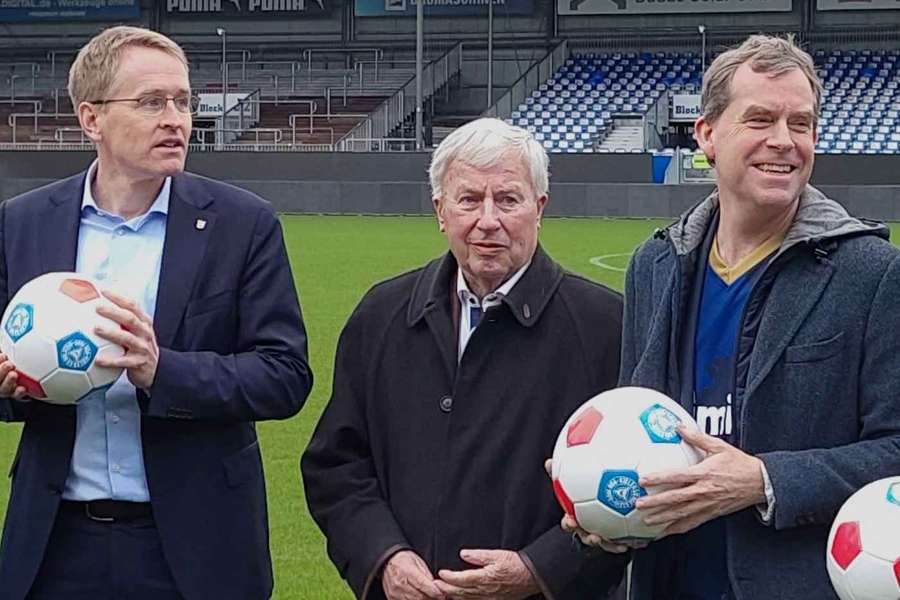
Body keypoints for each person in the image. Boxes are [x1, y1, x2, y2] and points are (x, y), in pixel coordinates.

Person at [567, 34, 900, 600]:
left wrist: (764, 481)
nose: (784, 141)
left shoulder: (871, 272)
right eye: (761, 119)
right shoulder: (655, 265)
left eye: (801, 123)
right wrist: (604, 507)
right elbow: (634, 416)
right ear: (707, 135)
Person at [0, 26, 312, 600]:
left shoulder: (243, 224)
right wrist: (10, 385)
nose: (175, 118)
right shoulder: (22, 222)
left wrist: (160, 370)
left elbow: (284, 376)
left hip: (197, 547)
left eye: (183, 101)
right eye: (150, 102)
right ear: (91, 119)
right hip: (54, 543)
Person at [301, 117, 627, 600]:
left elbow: (637, 487)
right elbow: (336, 466)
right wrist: (382, 556)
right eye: (469, 199)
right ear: (440, 210)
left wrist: (538, 570)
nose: (488, 220)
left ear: (540, 208)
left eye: (508, 199)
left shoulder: (606, 326)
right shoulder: (382, 315)